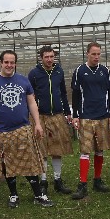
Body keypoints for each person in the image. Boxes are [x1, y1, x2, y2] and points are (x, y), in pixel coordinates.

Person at [0, 50, 54, 208]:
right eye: (6, 62)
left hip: (22, 128)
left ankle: (38, 195)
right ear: (1, 63)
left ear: (15, 63)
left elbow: (31, 103)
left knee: (30, 162)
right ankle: (13, 195)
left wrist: (38, 123)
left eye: (12, 62)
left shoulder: (23, 80)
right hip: (1, 131)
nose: (9, 65)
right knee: (7, 164)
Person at [69, 42, 110, 199]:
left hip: (103, 116)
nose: (96, 57)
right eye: (93, 54)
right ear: (87, 54)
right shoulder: (79, 71)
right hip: (86, 116)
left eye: (98, 54)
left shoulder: (105, 71)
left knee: (100, 149)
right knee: (85, 150)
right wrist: (75, 115)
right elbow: (76, 95)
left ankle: (97, 180)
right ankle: (82, 184)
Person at [27, 45, 73, 195]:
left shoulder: (59, 71)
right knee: (42, 149)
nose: (49, 59)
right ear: (41, 58)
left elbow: (63, 92)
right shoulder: (34, 74)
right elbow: (29, 96)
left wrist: (67, 112)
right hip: (40, 116)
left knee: (57, 148)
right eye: (46, 57)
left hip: (57, 114)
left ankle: (58, 180)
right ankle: (43, 181)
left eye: (51, 56)